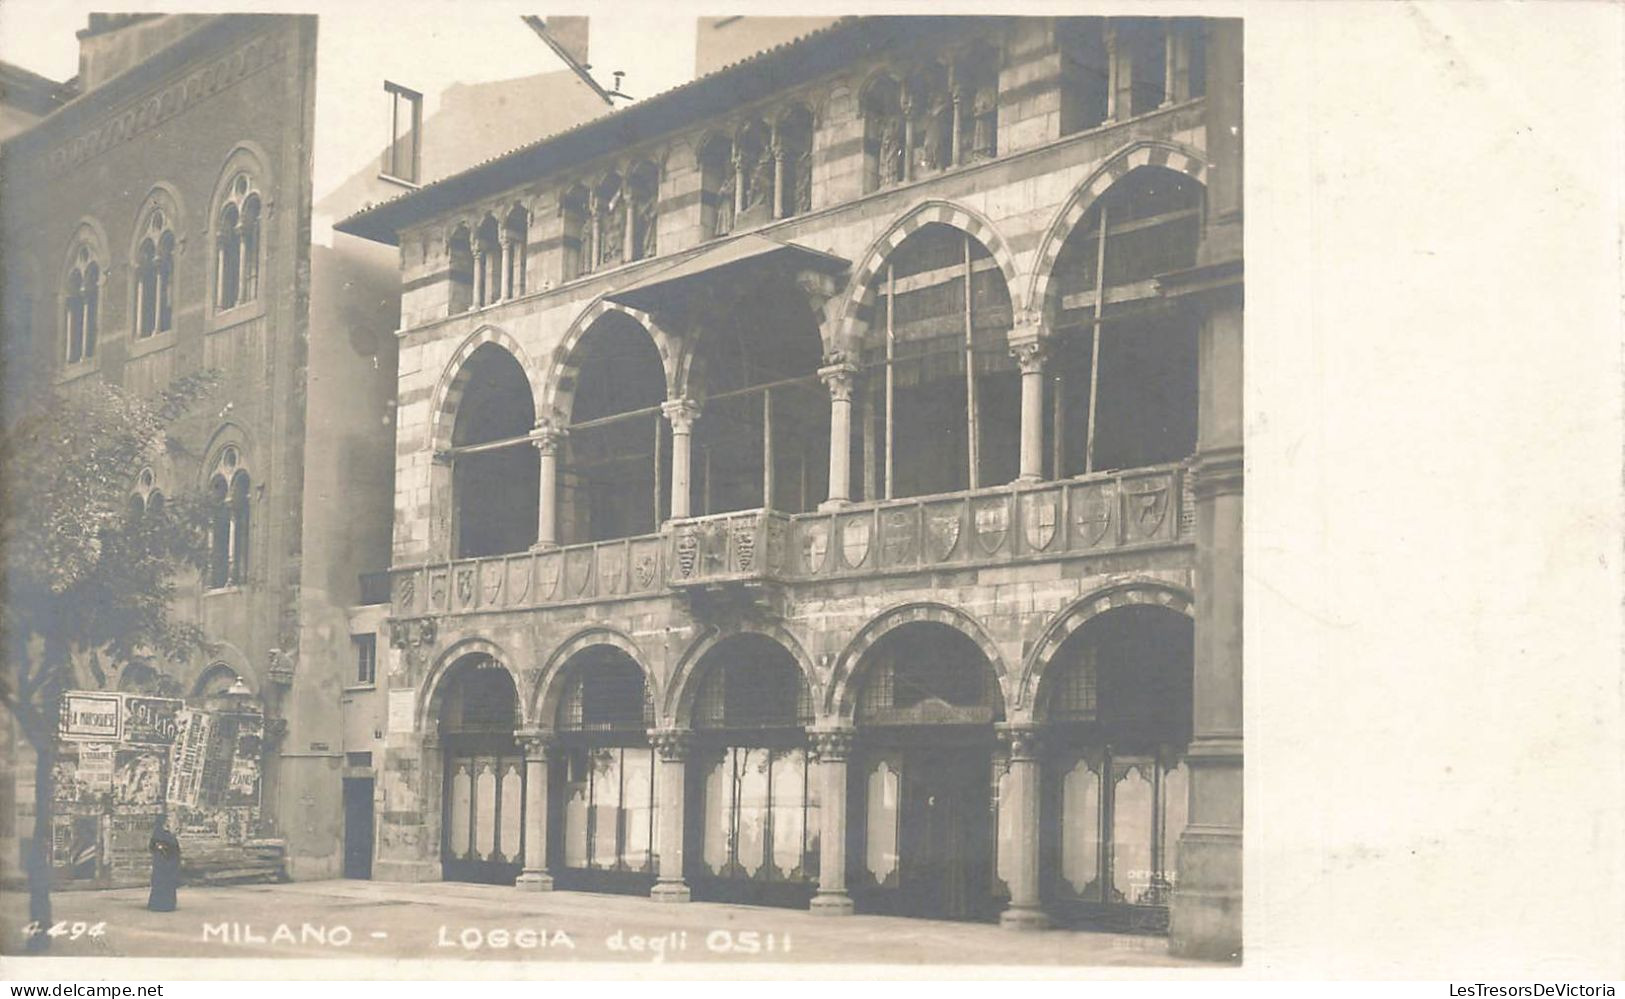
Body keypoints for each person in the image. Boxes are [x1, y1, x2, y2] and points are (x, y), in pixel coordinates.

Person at [147, 814, 180, 911]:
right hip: (165, 862)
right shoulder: (162, 834)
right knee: (165, 883)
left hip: (161, 863)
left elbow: (152, 847)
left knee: (161, 883)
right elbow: (172, 847)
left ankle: (158, 904)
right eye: (167, 820)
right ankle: (165, 904)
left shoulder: (157, 833)